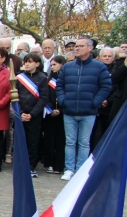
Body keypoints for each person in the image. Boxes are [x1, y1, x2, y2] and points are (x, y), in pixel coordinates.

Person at [56, 38, 111, 181]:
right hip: (69, 111)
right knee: (70, 141)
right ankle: (69, 169)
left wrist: (96, 102)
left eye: (81, 46)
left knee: (84, 142)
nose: (77, 48)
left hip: (88, 112)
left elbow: (106, 86)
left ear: (90, 48)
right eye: (76, 46)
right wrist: (63, 101)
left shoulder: (99, 67)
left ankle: (80, 170)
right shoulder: (68, 67)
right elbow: (59, 86)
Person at [15, 53, 49, 177]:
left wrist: (32, 114)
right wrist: (21, 112)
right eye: (26, 62)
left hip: (34, 116)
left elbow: (43, 98)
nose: (27, 64)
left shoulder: (43, 78)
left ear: (37, 64)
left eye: (30, 62)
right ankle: (19, 165)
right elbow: (15, 96)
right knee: (19, 140)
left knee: (33, 141)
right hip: (21, 114)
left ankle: (31, 166)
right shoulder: (19, 77)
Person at [42, 56, 66, 174]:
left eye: (55, 64)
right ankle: (49, 163)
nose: (53, 67)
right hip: (50, 113)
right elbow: (44, 96)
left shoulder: (66, 79)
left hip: (62, 114)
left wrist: (60, 110)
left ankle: (59, 165)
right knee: (49, 139)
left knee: (60, 140)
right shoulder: (48, 80)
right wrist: (51, 109)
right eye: (51, 65)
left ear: (62, 64)